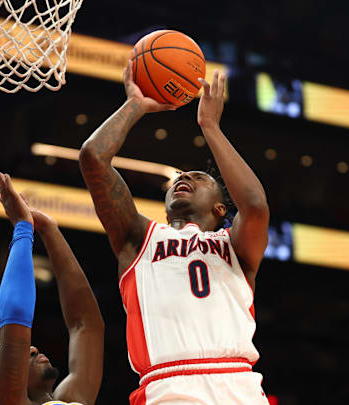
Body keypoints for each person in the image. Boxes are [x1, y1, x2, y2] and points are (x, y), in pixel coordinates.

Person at [79, 62, 270, 404]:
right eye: (180, 176)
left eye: (199, 178)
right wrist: (135, 104)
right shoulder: (139, 238)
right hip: (168, 387)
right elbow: (93, 158)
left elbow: (255, 204)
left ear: (220, 209)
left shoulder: (235, 246)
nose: (184, 177)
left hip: (238, 384)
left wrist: (210, 127)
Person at [0, 172, 105, 405]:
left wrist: (50, 230)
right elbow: (16, 321)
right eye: (11, 355)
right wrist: (22, 230)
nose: (31, 349)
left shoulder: (73, 398)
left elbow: (87, 325)